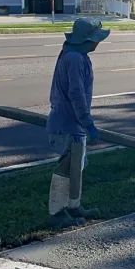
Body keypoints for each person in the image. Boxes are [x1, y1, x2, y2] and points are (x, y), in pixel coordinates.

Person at [46, 18, 110, 229]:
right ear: (87, 40)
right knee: (66, 166)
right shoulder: (74, 59)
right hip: (68, 122)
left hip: (75, 123)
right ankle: (56, 212)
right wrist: (87, 123)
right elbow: (76, 94)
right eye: (96, 39)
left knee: (77, 167)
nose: (98, 43)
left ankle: (74, 206)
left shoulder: (78, 56)